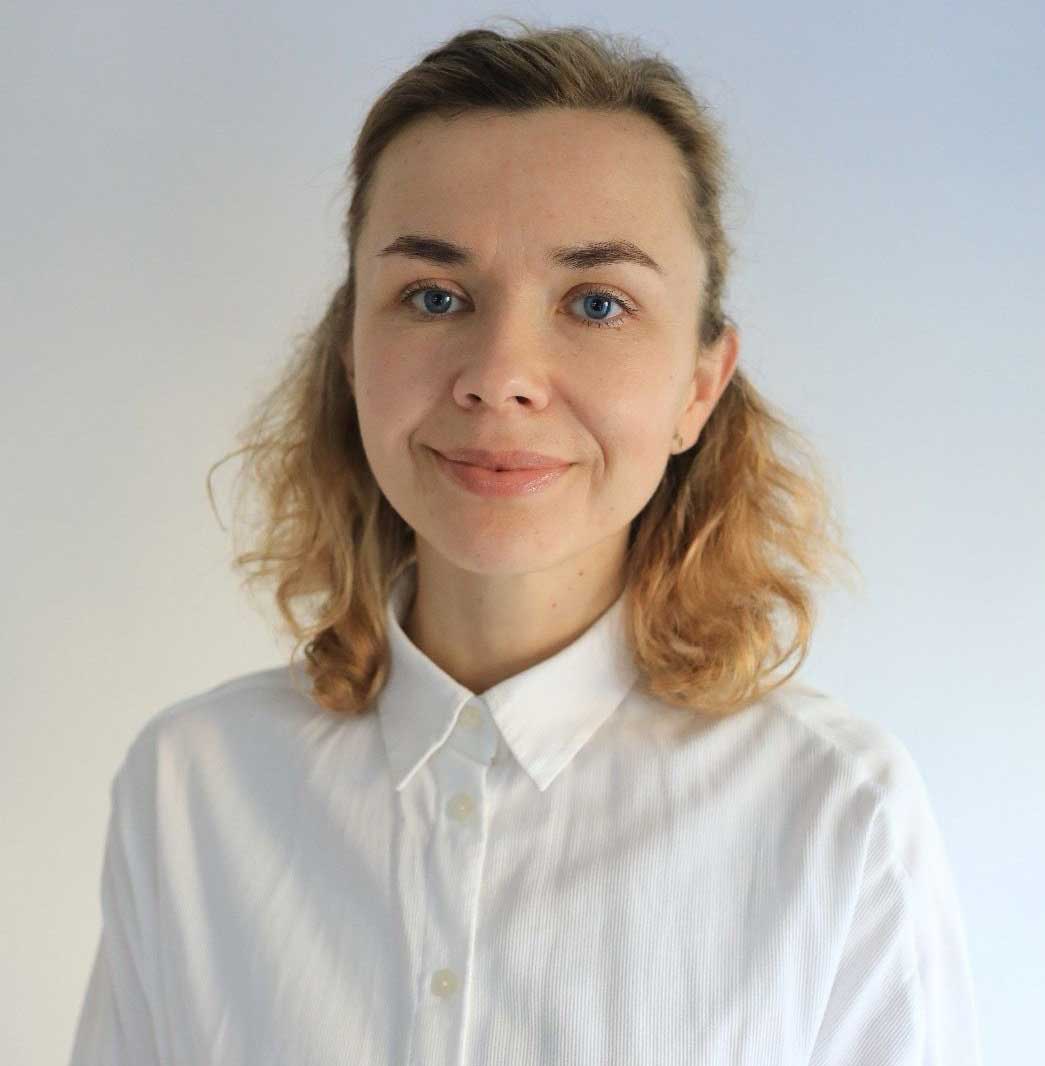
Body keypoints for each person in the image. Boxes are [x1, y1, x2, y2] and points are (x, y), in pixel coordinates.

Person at [68, 18, 984, 1066]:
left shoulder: (838, 817)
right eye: (433, 296)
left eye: (596, 303)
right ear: (352, 352)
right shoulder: (189, 788)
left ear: (699, 385)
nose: (499, 374)